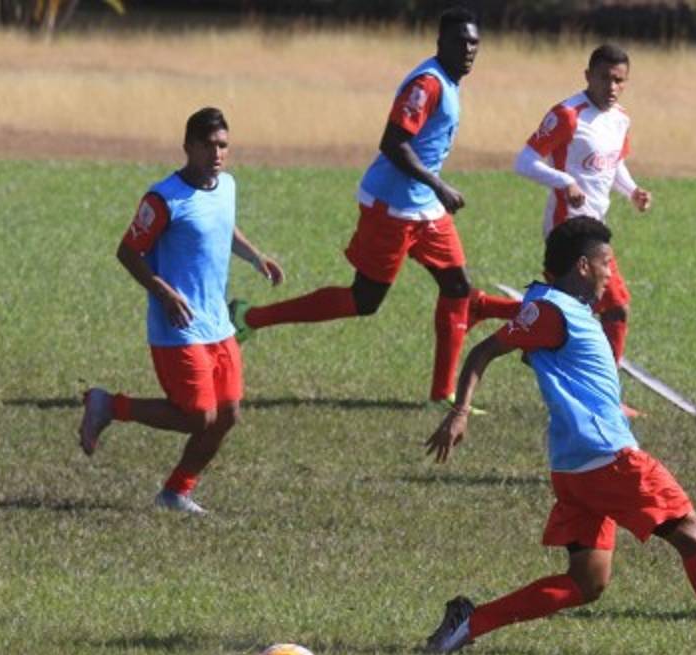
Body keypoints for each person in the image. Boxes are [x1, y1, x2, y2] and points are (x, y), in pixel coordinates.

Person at [422, 216, 696, 655]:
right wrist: (460, 411)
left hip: (572, 466)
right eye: (607, 263)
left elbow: (519, 349)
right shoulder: (553, 311)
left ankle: (469, 622)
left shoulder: (552, 306)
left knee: (588, 583)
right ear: (584, 266)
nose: (612, 272)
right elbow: (486, 350)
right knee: (694, 533)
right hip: (608, 456)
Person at [227, 7, 519, 407]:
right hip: (392, 207)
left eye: (474, 44)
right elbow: (393, 143)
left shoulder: (450, 81)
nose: (468, 50)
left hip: (424, 209)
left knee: (456, 287)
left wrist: (433, 192)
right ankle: (249, 317)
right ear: (440, 43)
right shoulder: (427, 84)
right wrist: (439, 185)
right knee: (364, 301)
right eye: (460, 41)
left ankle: (442, 393)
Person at [78, 107, 284, 515]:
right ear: (188, 147)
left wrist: (255, 257)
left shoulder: (226, 186)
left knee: (227, 415)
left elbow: (223, 226)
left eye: (223, 145)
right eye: (207, 145)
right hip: (178, 327)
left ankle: (175, 492)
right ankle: (108, 405)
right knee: (199, 416)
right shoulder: (163, 198)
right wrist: (163, 291)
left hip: (218, 325)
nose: (216, 153)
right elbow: (128, 251)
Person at [513, 44, 651, 414]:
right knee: (615, 308)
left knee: (573, 312)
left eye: (619, 80)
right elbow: (523, 161)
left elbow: (613, 165)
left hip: (596, 227)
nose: (611, 86)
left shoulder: (620, 119)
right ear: (587, 75)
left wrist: (632, 191)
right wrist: (564, 182)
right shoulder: (567, 115)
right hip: (568, 231)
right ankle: (608, 399)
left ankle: (520, 335)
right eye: (604, 77)